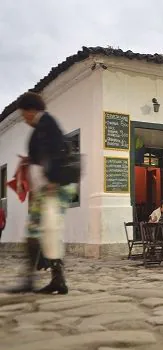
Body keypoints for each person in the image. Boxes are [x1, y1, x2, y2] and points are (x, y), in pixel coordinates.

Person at [6, 92, 76, 295]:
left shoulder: (47, 122)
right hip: (46, 189)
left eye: (23, 113)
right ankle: (50, 279)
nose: (23, 118)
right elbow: (45, 152)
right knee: (41, 231)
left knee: (45, 230)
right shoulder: (41, 127)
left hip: (54, 188)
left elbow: (57, 150)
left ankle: (45, 280)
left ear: (30, 110)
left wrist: (53, 180)